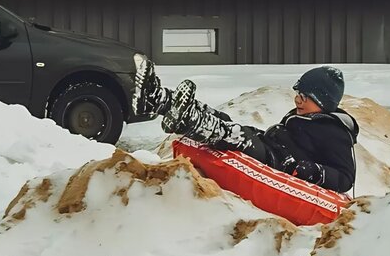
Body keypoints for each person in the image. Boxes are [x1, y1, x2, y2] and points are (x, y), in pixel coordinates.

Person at [133, 58, 359, 193]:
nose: (297, 100)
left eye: (305, 96)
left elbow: (346, 177)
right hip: (271, 147)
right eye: (298, 94)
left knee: (235, 136)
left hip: (282, 162)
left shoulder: (335, 132)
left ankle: (187, 120)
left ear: (323, 101)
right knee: (224, 120)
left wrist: (314, 171)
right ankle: (158, 98)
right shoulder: (307, 116)